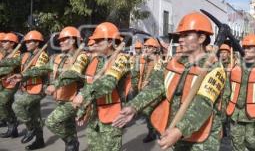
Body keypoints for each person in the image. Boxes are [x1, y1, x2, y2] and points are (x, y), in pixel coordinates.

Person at [112, 12, 226, 151]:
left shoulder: (215, 68)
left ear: (201, 38)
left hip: (201, 140)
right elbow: (155, 86)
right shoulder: (173, 63)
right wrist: (134, 107)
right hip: (172, 131)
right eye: (180, 36)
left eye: (186, 35)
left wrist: (179, 130)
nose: (181, 40)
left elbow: (202, 105)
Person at [17, 27, 88, 151]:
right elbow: (43, 68)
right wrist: (22, 75)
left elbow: (73, 73)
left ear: (72, 41)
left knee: (51, 122)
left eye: (63, 39)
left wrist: (55, 84)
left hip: (73, 100)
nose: (60, 42)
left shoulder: (82, 56)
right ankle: (71, 145)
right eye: (59, 40)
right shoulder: (58, 57)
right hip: (61, 98)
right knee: (68, 127)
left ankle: (72, 143)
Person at [72, 22, 132, 151]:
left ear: (110, 42)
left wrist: (82, 95)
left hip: (113, 115)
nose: (95, 43)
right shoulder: (96, 61)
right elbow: (89, 85)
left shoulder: (122, 59)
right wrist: (83, 110)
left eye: (99, 40)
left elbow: (108, 84)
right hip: (94, 115)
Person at [7, 30, 49, 150]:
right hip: (28, 88)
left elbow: (40, 70)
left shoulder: (43, 55)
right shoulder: (25, 55)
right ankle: (40, 140)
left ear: (37, 43)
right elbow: (11, 62)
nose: (26, 43)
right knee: (35, 115)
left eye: (30, 41)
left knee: (17, 105)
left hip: (39, 89)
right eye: (26, 41)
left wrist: (22, 76)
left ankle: (31, 129)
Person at [132, 37, 162, 143]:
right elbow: (137, 73)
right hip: (144, 92)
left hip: (155, 94)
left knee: (157, 114)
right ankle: (151, 132)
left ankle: (159, 133)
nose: (146, 49)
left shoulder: (159, 62)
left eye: (149, 47)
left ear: (155, 49)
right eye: (145, 47)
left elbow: (158, 79)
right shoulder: (144, 60)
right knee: (148, 115)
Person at [0, 33, 21, 137]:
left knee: (2, 103)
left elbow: (8, 68)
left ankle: (12, 124)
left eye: (5, 41)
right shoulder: (5, 54)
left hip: (12, 83)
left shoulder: (17, 54)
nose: (2, 43)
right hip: (4, 83)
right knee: (7, 105)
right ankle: (12, 128)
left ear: (12, 43)